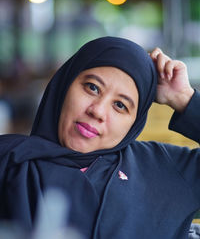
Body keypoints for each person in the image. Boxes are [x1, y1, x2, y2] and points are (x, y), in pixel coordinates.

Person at [0, 36, 199, 239]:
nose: (98, 111)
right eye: (92, 88)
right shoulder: (8, 160)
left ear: (135, 121)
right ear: (65, 84)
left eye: (120, 105)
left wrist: (183, 98)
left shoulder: (162, 167)